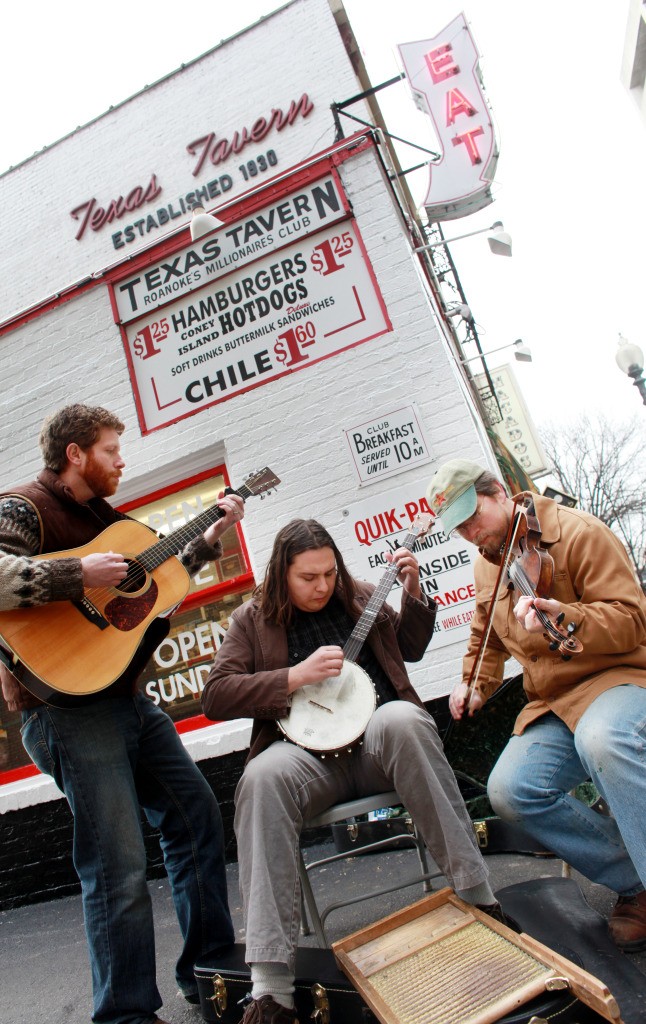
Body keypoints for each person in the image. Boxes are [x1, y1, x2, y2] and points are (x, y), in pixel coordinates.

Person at [202, 517, 503, 1024]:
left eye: (328, 573)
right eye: (308, 578)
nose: (322, 587)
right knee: (259, 778)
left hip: (378, 746)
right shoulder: (252, 620)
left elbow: (411, 647)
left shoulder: (360, 595)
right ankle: (271, 990)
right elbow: (215, 695)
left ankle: (481, 900)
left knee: (406, 718)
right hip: (306, 759)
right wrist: (293, 677)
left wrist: (414, 591)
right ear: (281, 574)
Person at [0, 403, 244, 1024]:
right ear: (76, 454)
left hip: (125, 700)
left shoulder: (107, 521)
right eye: (112, 449)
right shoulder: (22, 508)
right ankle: (125, 1014)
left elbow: (148, 593)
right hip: (64, 712)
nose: (121, 460)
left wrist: (207, 543)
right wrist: (75, 573)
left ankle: (212, 973)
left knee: (194, 816)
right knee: (118, 865)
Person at [426, 458, 646, 951]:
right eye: (457, 525)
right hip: (552, 702)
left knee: (603, 739)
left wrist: (564, 616)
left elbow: (632, 620)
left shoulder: (579, 533)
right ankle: (635, 883)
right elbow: (485, 635)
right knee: (510, 790)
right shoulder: (488, 561)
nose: (467, 531)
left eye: (472, 515)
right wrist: (474, 683)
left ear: (500, 493)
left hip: (618, 680)